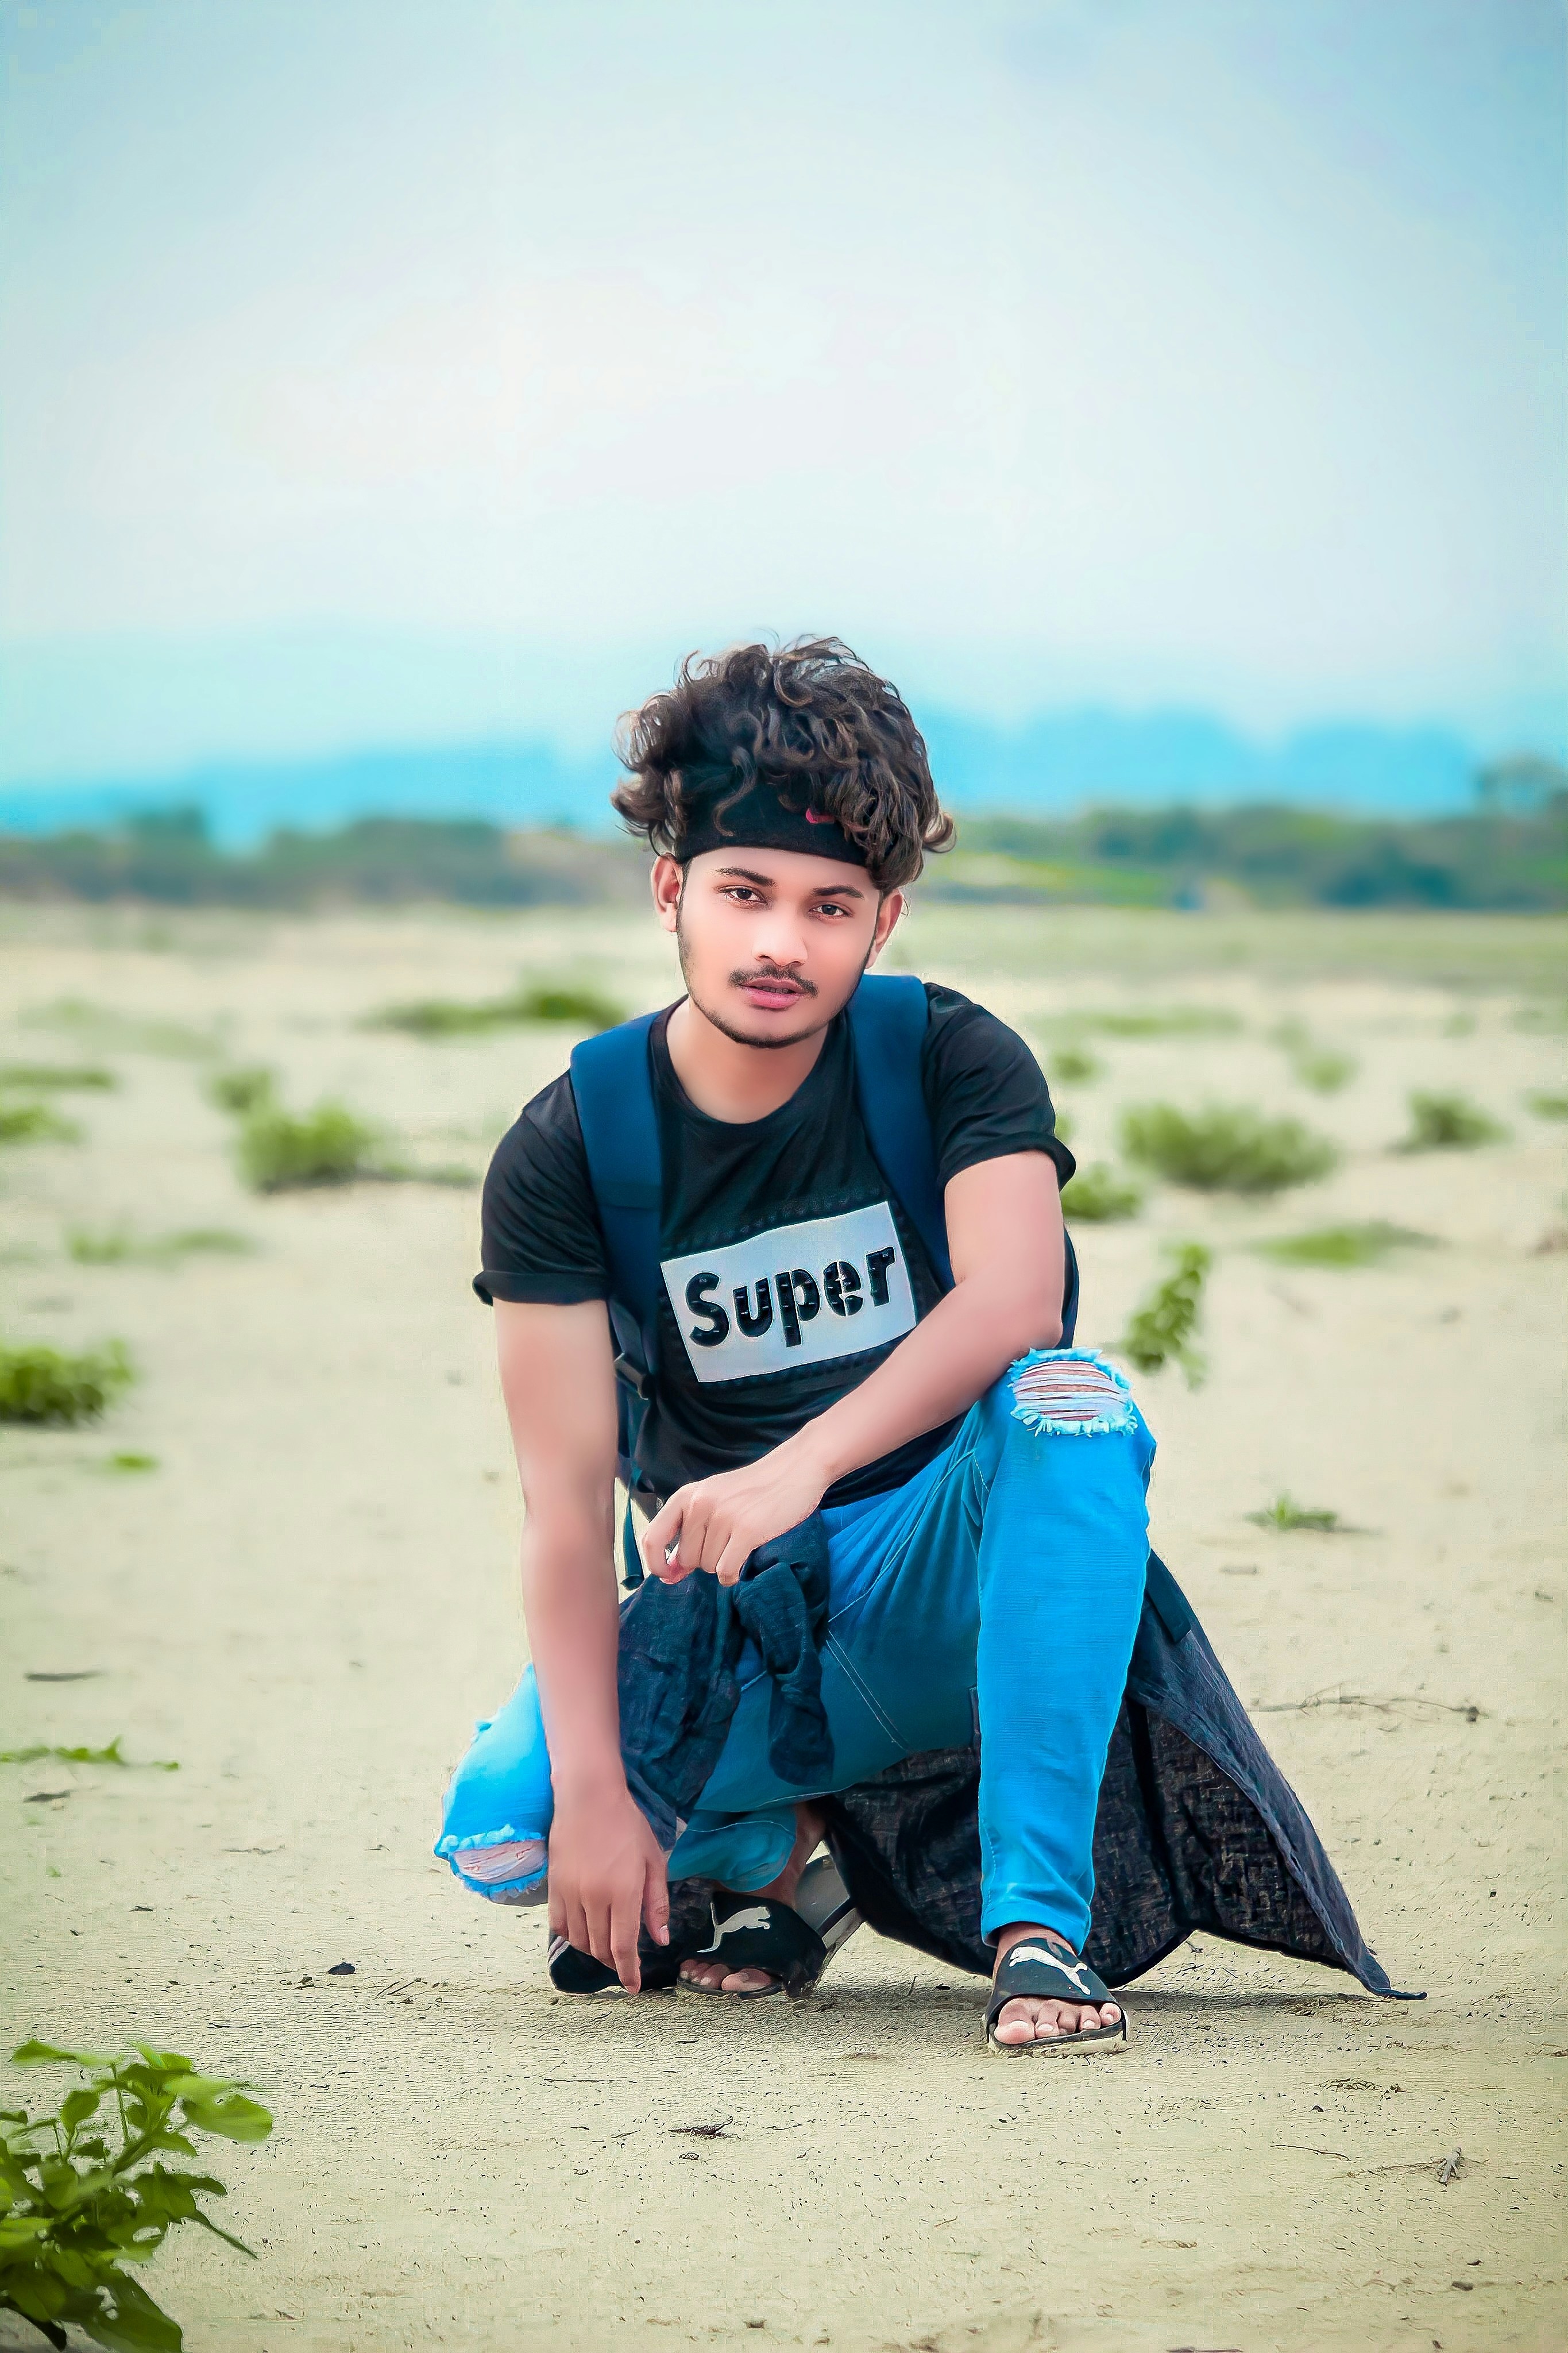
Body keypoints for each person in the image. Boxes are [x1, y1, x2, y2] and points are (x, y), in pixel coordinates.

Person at [436, 636, 1165, 2054]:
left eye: (830, 906)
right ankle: (778, 1852)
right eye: (745, 892)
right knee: (510, 1830)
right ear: (673, 892)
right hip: (738, 1620)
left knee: (1070, 1403)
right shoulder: (574, 1140)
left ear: (882, 923)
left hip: (936, 1577)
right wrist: (596, 1784)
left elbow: (1017, 1303)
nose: (782, 941)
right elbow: (566, 1500)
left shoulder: (952, 1060)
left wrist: (796, 1467)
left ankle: (1038, 1932)